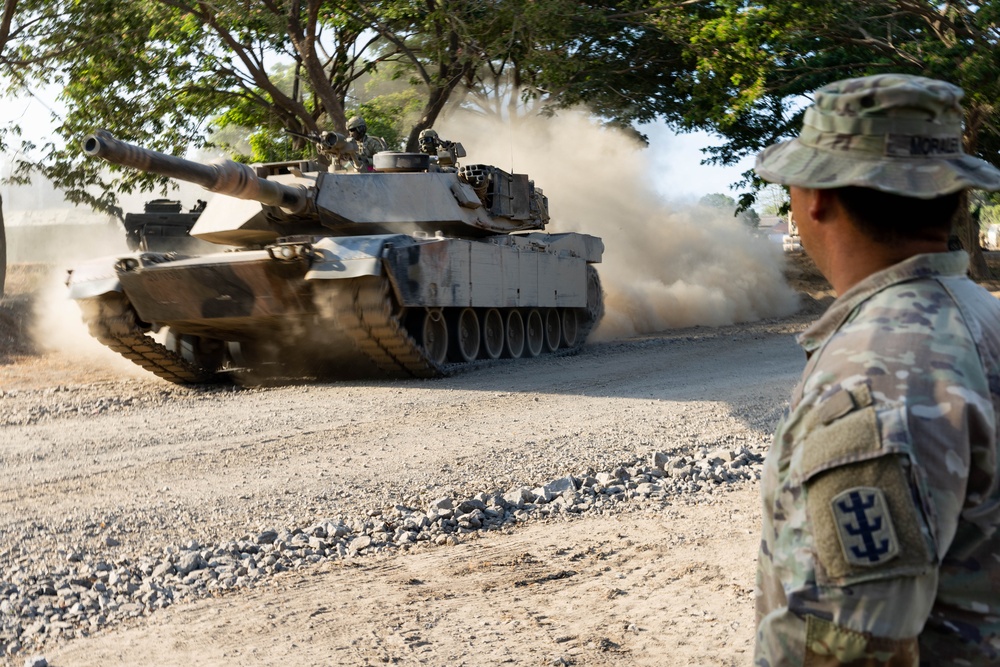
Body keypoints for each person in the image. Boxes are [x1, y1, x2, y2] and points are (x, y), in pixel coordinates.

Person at [754, 73, 1000, 665]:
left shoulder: (880, 374)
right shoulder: (978, 315)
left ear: (818, 196)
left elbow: (848, 646)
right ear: (954, 195)